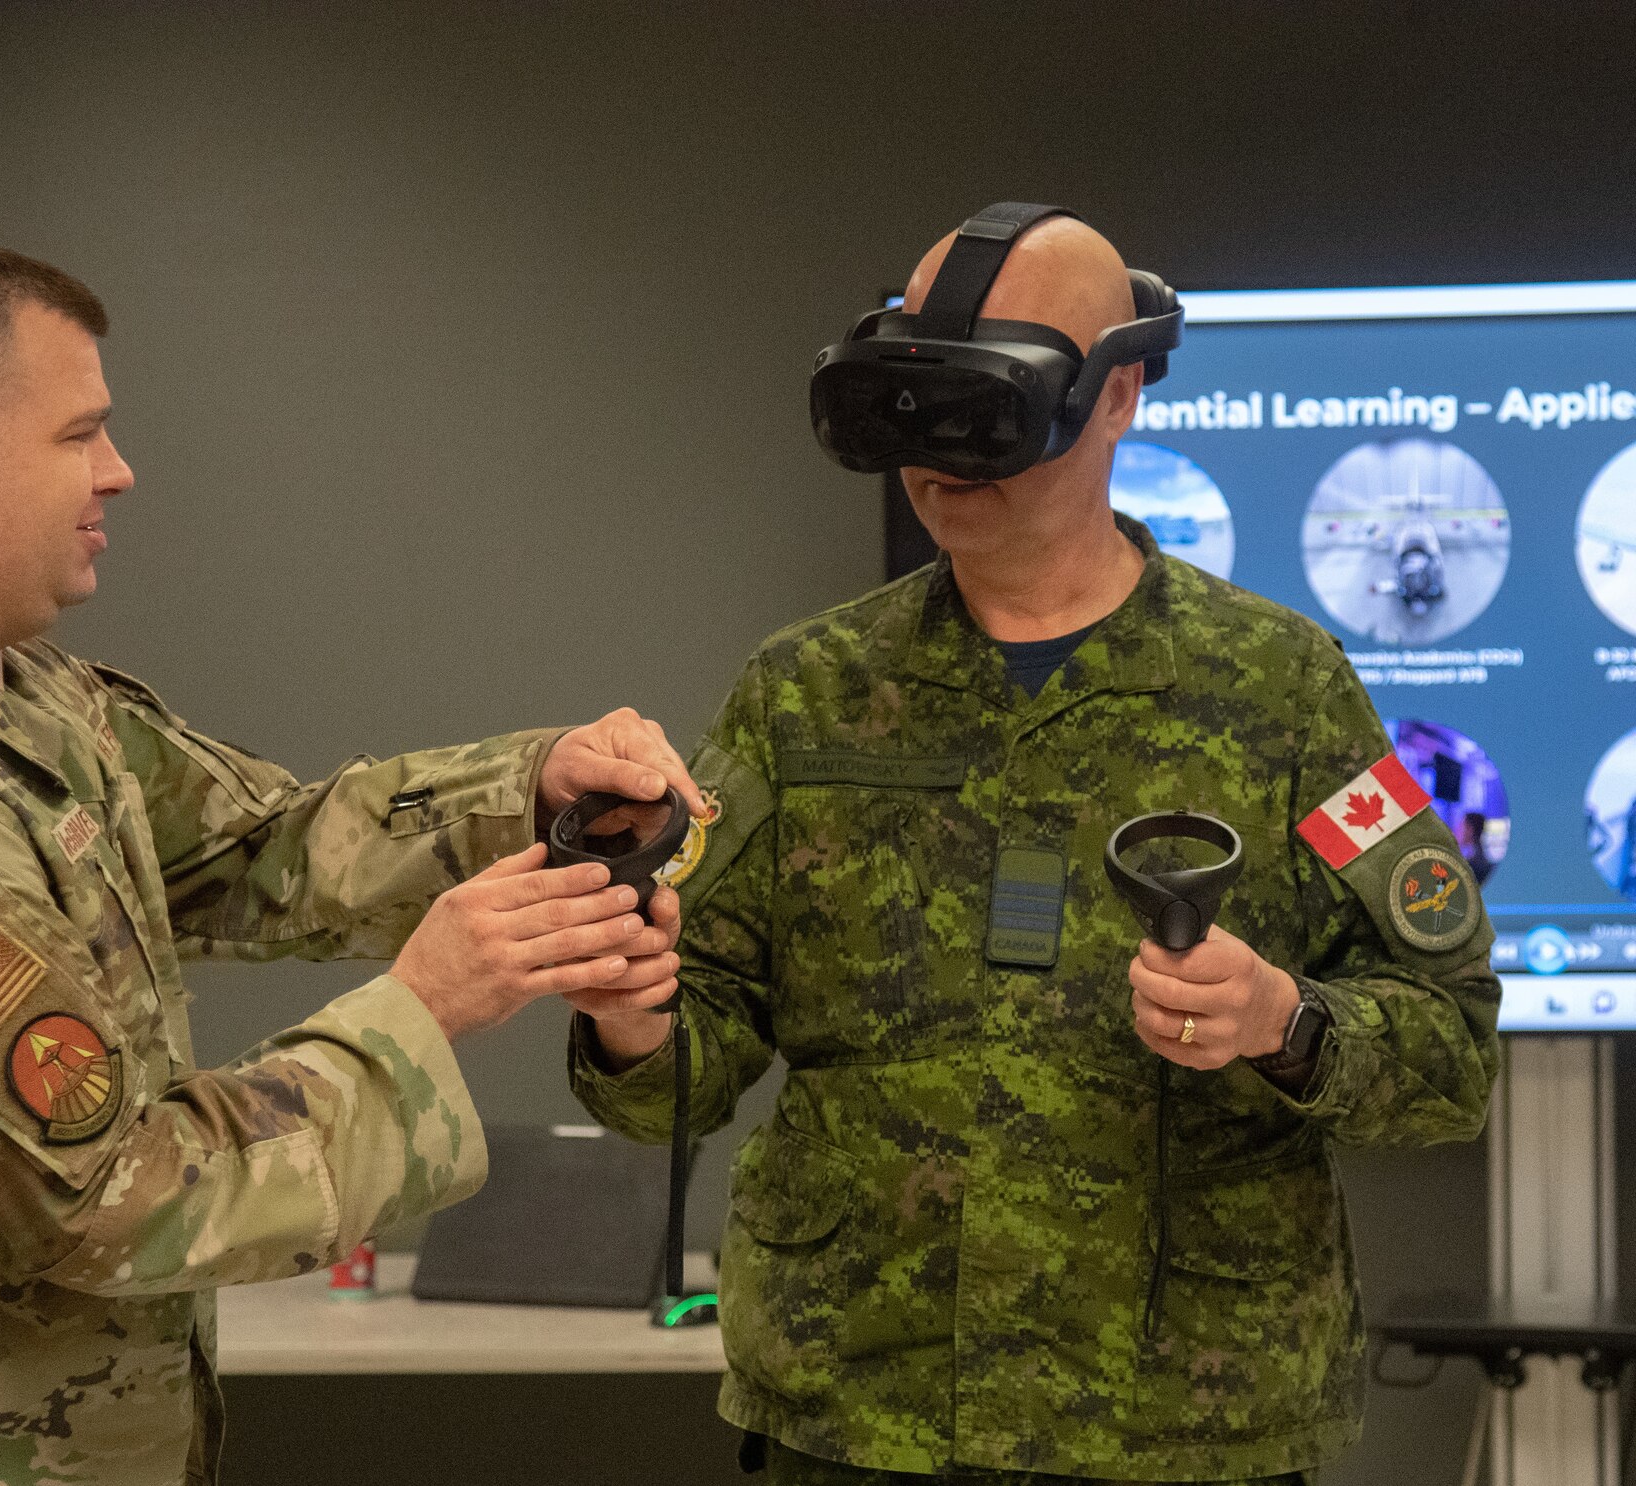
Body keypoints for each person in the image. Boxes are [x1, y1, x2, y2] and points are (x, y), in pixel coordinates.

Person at [0, 234, 692, 1485]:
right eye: (79, 433)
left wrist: (529, 789)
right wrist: (426, 1007)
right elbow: (116, 1200)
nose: (119, 471)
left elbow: (256, 843)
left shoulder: (5, 692)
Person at [570, 212, 1499, 1485]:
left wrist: (1280, 1020)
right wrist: (631, 1019)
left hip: (1178, 1421)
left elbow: (1449, 1047)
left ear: (1115, 393)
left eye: (988, 407)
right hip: (862, 1410)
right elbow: (695, 1049)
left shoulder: (1278, 690)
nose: (943, 459)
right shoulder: (806, 694)